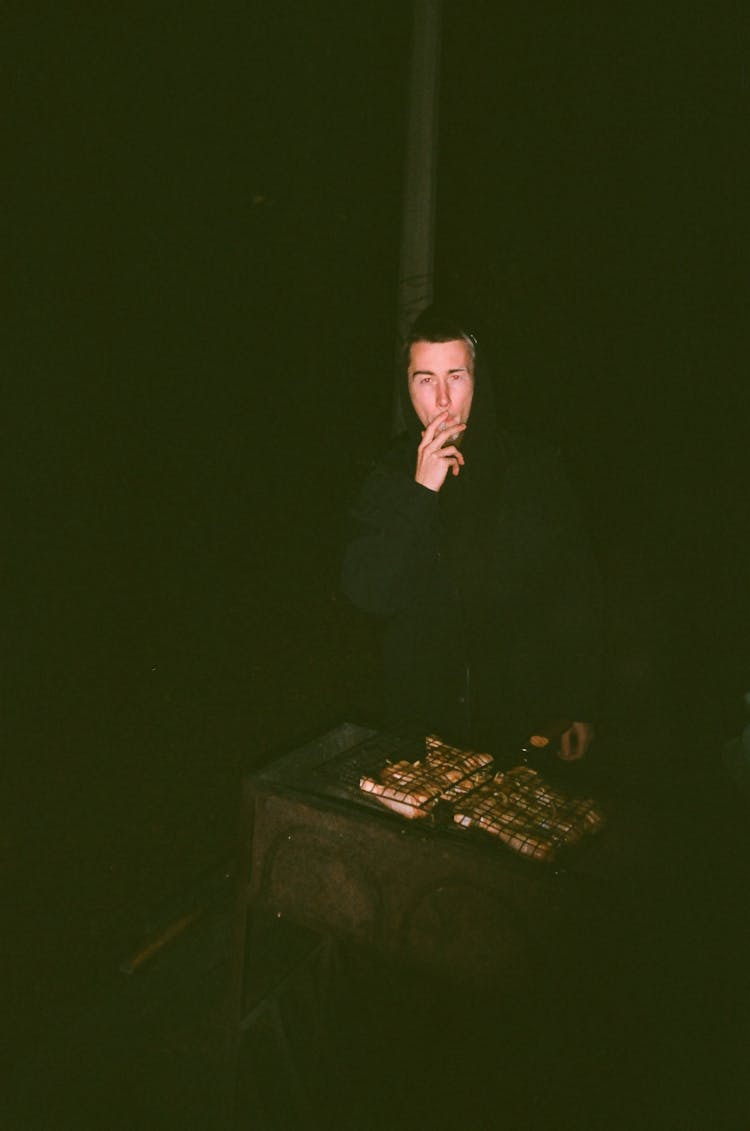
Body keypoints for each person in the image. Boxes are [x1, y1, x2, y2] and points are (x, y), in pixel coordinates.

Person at [340, 306, 602, 761]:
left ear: (478, 382)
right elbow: (370, 595)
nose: (442, 399)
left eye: (455, 376)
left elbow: (575, 593)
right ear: (407, 388)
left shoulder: (534, 469)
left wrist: (579, 702)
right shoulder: (387, 477)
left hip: (522, 720)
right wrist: (421, 491)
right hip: (423, 724)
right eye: (425, 379)